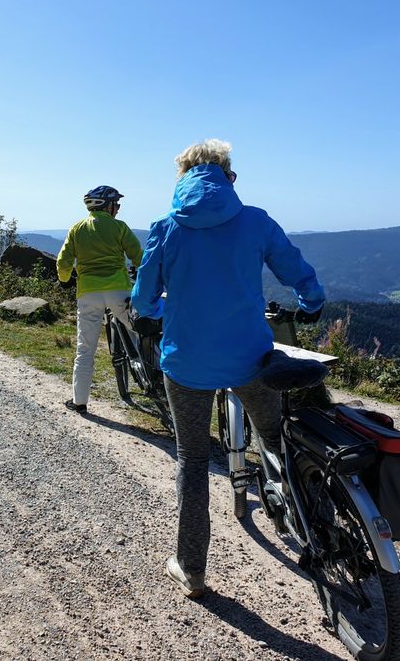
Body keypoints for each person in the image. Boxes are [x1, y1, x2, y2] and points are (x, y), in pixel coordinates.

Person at [130, 139, 324, 598]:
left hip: (187, 364)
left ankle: (191, 569)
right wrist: (311, 302)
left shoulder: (165, 228)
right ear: (228, 176)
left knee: (194, 461)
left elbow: (142, 298)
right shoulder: (255, 220)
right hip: (249, 358)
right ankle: (315, 529)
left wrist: (156, 313)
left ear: (182, 178)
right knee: (276, 440)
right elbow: (295, 269)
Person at [57, 185, 143, 414]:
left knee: (85, 349)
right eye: (117, 204)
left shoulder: (77, 229)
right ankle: (154, 379)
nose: (119, 208)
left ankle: (80, 401)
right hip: (118, 291)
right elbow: (139, 256)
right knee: (140, 334)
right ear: (109, 205)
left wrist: (64, 279)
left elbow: (63, 261)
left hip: (88, 293)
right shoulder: (119, 227)